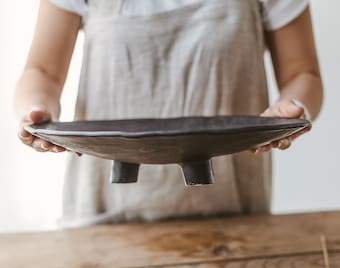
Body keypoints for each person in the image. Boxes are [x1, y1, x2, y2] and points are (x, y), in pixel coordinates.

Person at [15, 0, 323, 227]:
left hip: (233, 219)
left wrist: (290, 109)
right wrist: (35, 111)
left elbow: (302, 73)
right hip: (99, 220)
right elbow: (42, 71)